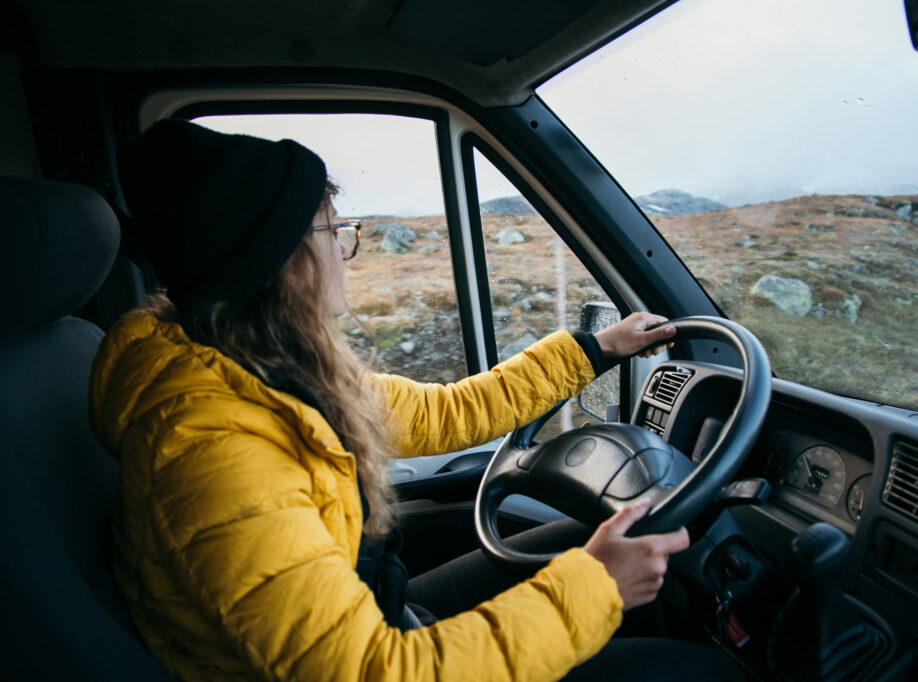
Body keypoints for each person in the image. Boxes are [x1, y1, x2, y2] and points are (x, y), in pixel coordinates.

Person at [90, 119, 741, 681]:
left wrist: (595, 349)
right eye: (331, 230)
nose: (346, 249)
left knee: (593, 541)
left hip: (380, 616)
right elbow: (369, 672)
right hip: (378, 656)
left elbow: (447, 411)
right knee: (703, 674)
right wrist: (595, 589)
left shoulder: (263, 375)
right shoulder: (217, 452)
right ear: (282, 263)